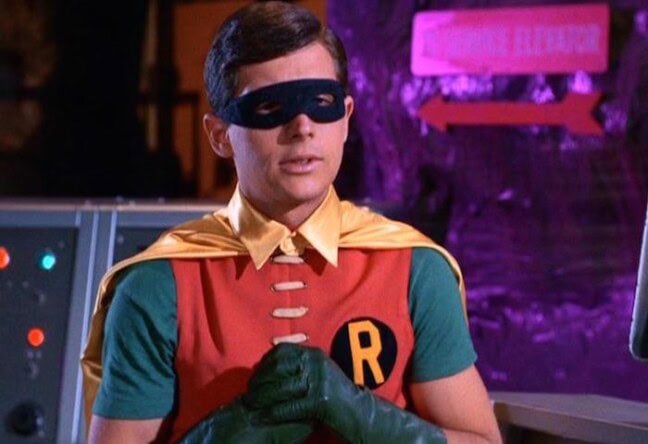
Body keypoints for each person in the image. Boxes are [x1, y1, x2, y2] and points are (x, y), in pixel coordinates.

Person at [81, 1, 501, 442]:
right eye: (270, 107)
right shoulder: (159, 286)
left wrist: (372, 420)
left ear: (346, 119)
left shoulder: (414, 269)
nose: (302, 126)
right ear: (220, 136)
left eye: (321, 103)